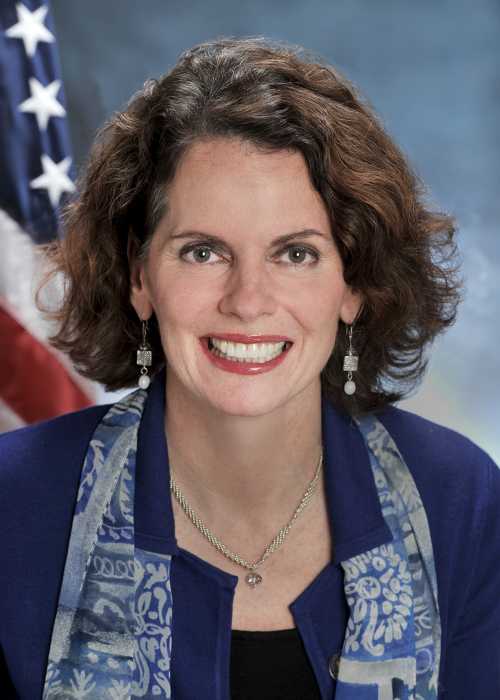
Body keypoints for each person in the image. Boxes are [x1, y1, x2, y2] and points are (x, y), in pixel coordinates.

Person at [0, 37, 498, 700]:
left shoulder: (458, 499)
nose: (247, 301)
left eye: (295, 254)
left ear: (353, 284)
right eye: (203, 252)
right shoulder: (14, 504)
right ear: (140, 276)